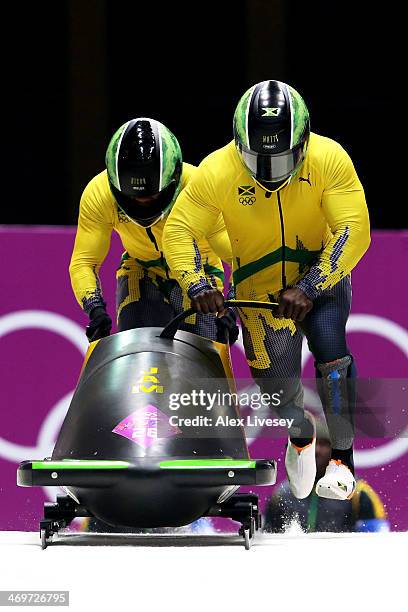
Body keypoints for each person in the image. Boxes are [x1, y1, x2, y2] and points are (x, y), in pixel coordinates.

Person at [163, 80, 371, 501]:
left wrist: (311, 285)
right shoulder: (217, 171)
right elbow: (180, 231)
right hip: (261, 293)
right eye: (257, 160)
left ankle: (342, 462)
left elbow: (355, 229)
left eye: (281, 160)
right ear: (239, 145)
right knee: (278, 390)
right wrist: (197, 283)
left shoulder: (330, 159)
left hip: (320, 275)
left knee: (333, 352)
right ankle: (300, 433)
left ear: (304, 141)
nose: (268, 173)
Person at [69, 117, 234, 342]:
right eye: (132, 197)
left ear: (174, 179)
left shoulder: (199, 186)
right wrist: (95, 308)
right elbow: (83, 262)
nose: (143, 204)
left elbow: (238, 255)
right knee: (137, 353)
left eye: (153, 196)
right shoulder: (98, 194)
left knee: (204, 355)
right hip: (140, 269)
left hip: (200, 272)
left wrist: (231, 308)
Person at [263, 419, 390, 533]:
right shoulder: (283, 493)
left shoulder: (356, 491)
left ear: (334, 450)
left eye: (323, 444)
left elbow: (377, 536)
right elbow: (268, 536)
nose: (317, 450)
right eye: (312, 445)